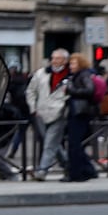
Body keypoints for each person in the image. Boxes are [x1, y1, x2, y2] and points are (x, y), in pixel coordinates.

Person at [26, 50, 73, 179]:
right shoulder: (41, 73)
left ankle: (42, 171)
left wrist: (64, 105)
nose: (54, 61)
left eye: (58, 58)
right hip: (40, 112)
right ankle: (68, 164)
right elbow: (30, 91)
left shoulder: (70, 76)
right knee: (52, 142)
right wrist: (33, 108)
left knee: (50, 143)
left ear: (65, 61)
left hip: (59, 113)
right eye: (53, 58)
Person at [62, 54, 100, 181]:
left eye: (73, 64)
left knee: (74, 144)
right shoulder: (79, 75)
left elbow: (89, 90)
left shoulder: (83, 75)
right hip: (78, 112)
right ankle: (88, 171)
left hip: (80, 113)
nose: (70, 66)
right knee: (75, 144)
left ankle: (76, 174)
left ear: (80, 64)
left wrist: (71, 89)